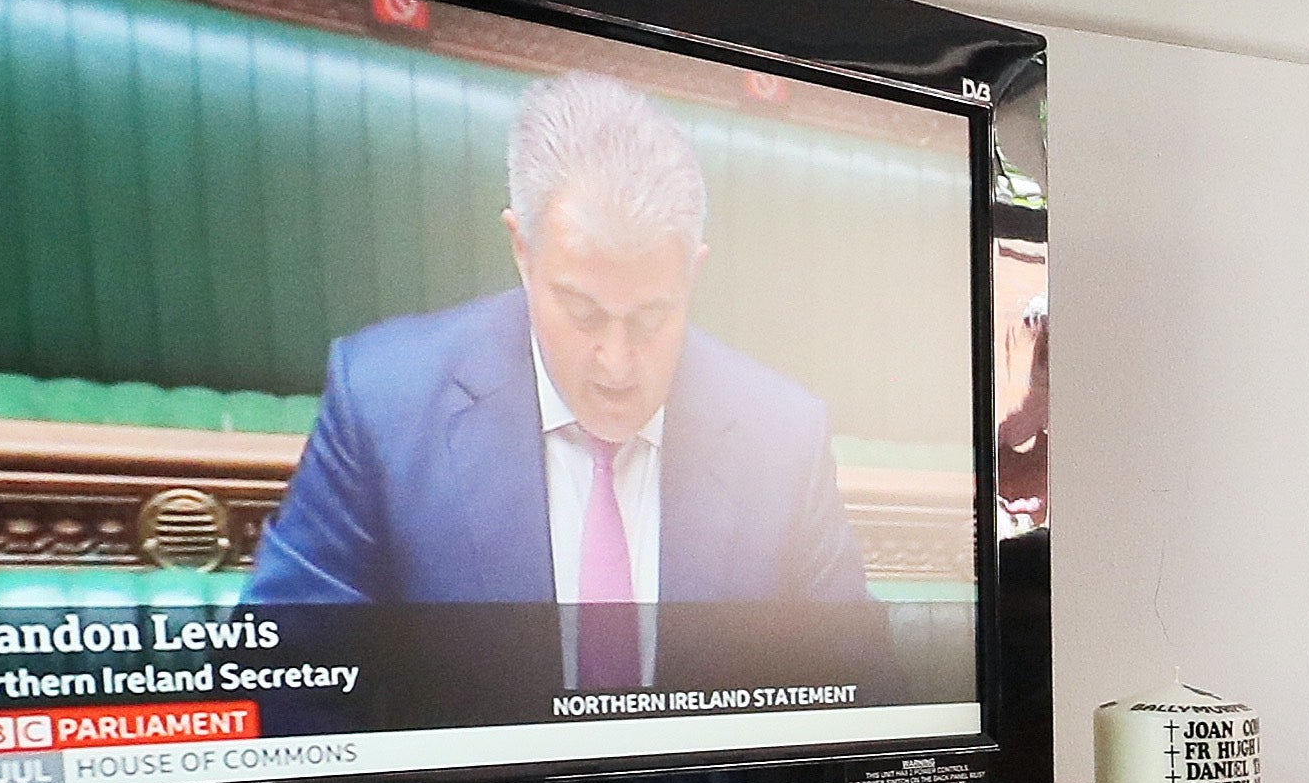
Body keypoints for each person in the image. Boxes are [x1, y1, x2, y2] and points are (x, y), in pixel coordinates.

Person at [248, 70, 871, 683]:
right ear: (522, 250)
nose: (617, 365)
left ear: (693, 274)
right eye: (582, 311)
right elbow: (285, 682)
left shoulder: (786, 438)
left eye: (652, 318)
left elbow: (859, 695)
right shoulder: (384, 405)